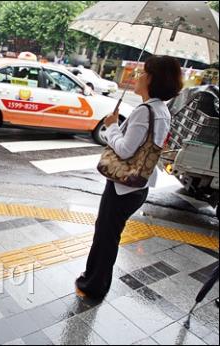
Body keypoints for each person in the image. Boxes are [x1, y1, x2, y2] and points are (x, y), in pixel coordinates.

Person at [75, 55, 183, 300]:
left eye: (143, 72)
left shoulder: (145, 111)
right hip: (138, 185)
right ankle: (94, 280)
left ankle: (94, 286)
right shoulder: (161, 110)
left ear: (153, 79)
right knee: (108, 235)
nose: (138, 76)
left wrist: (112, 126)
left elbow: (124, 150)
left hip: (123, 186)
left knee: (105, 237)